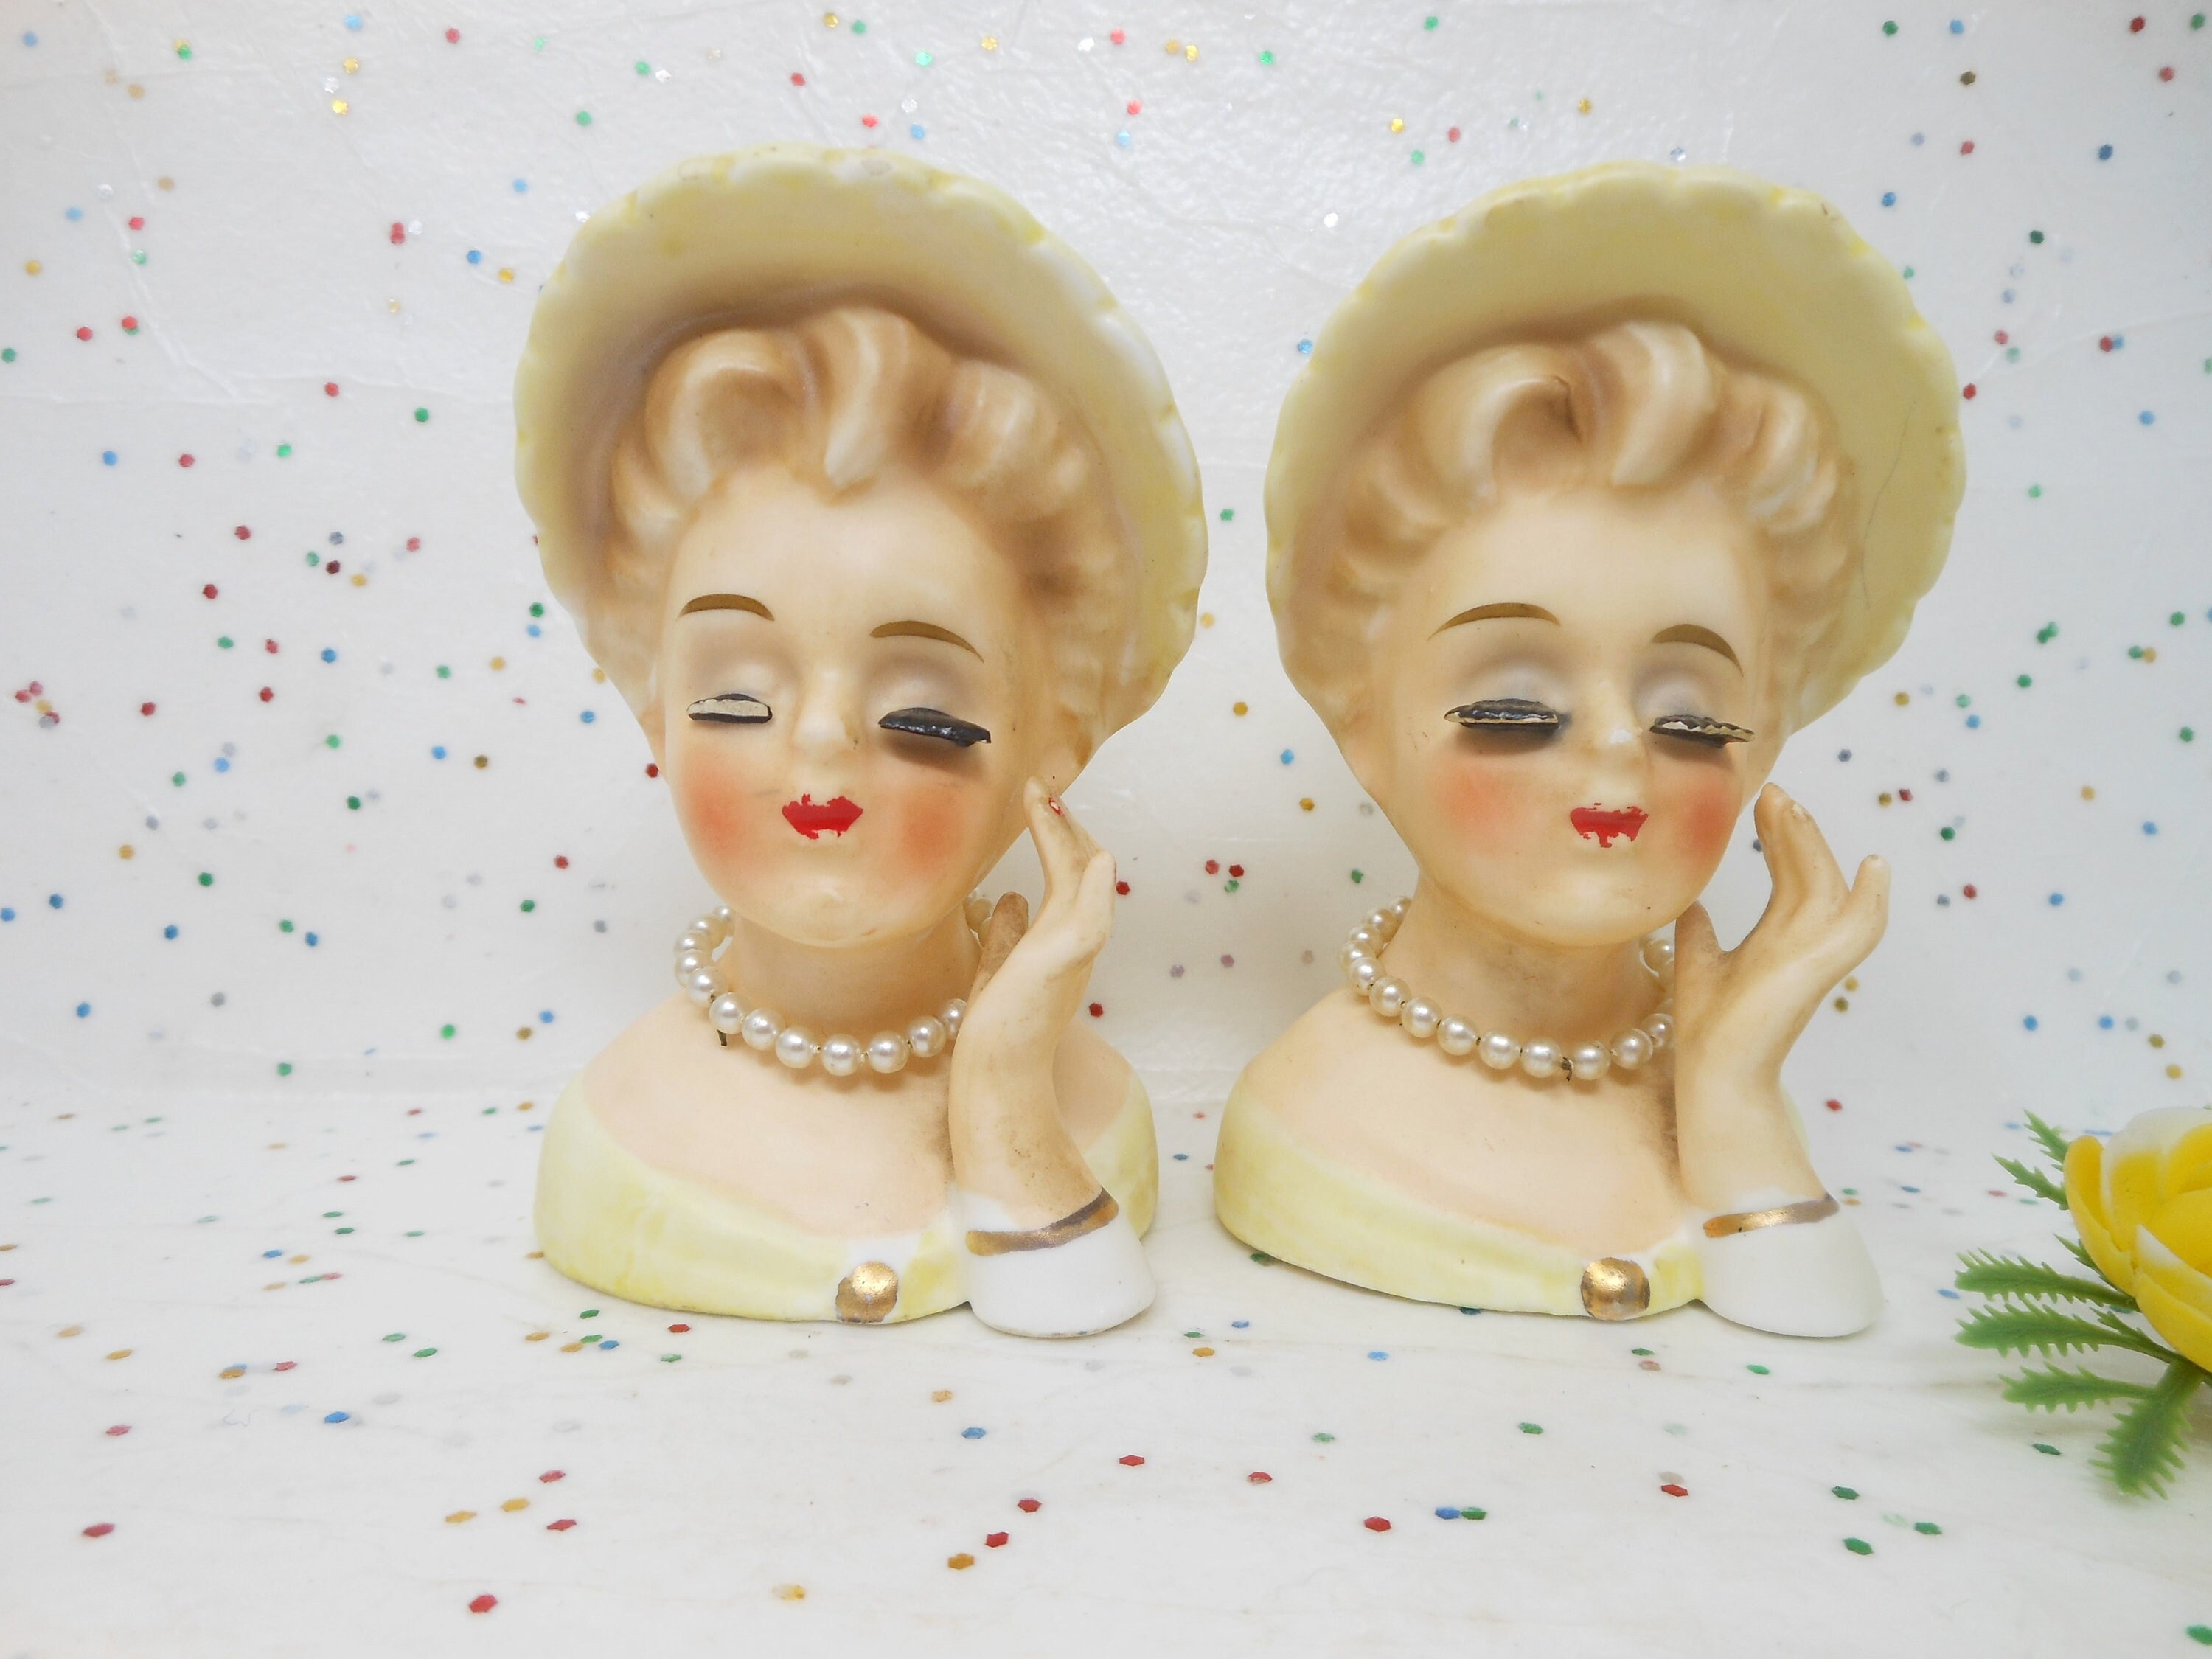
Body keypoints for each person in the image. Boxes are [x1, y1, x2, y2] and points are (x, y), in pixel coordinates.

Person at [1216, 163, 1964, 1336]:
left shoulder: (1713, 1100)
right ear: (1364, 723)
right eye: (1515, 708)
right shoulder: (1314, 1120)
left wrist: (1731, 1092)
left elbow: (1815, 1321)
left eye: (1692, 718)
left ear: (1763, 737)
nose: (1619, 754)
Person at [514, 147, 1206, 1336]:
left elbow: (1072, 1310)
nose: (822, 751)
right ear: (656, 710)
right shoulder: (621, 1138)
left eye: (921, 714)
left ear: (1052, 739)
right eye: (737, 699)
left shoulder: (1084, 1111)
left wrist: (1003, 1088)